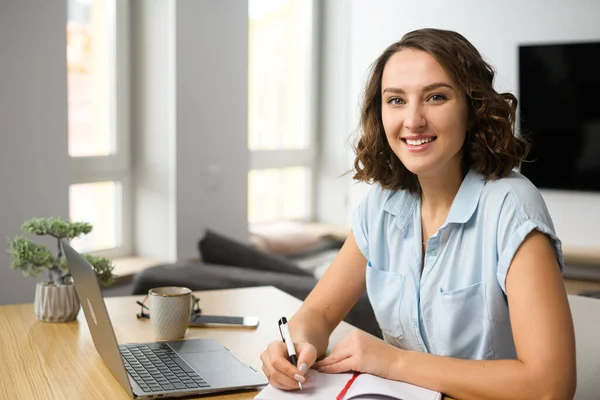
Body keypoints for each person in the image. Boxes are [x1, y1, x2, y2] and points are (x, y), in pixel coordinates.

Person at [259, 28, 577, 400]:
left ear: (473, 110)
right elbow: (317, 314)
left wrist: (393, 362)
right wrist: (295, 347)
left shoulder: (512, 207)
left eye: (436, 97)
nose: (413, 120)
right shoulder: (381, 206)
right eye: (396, 100)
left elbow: (550, 388)